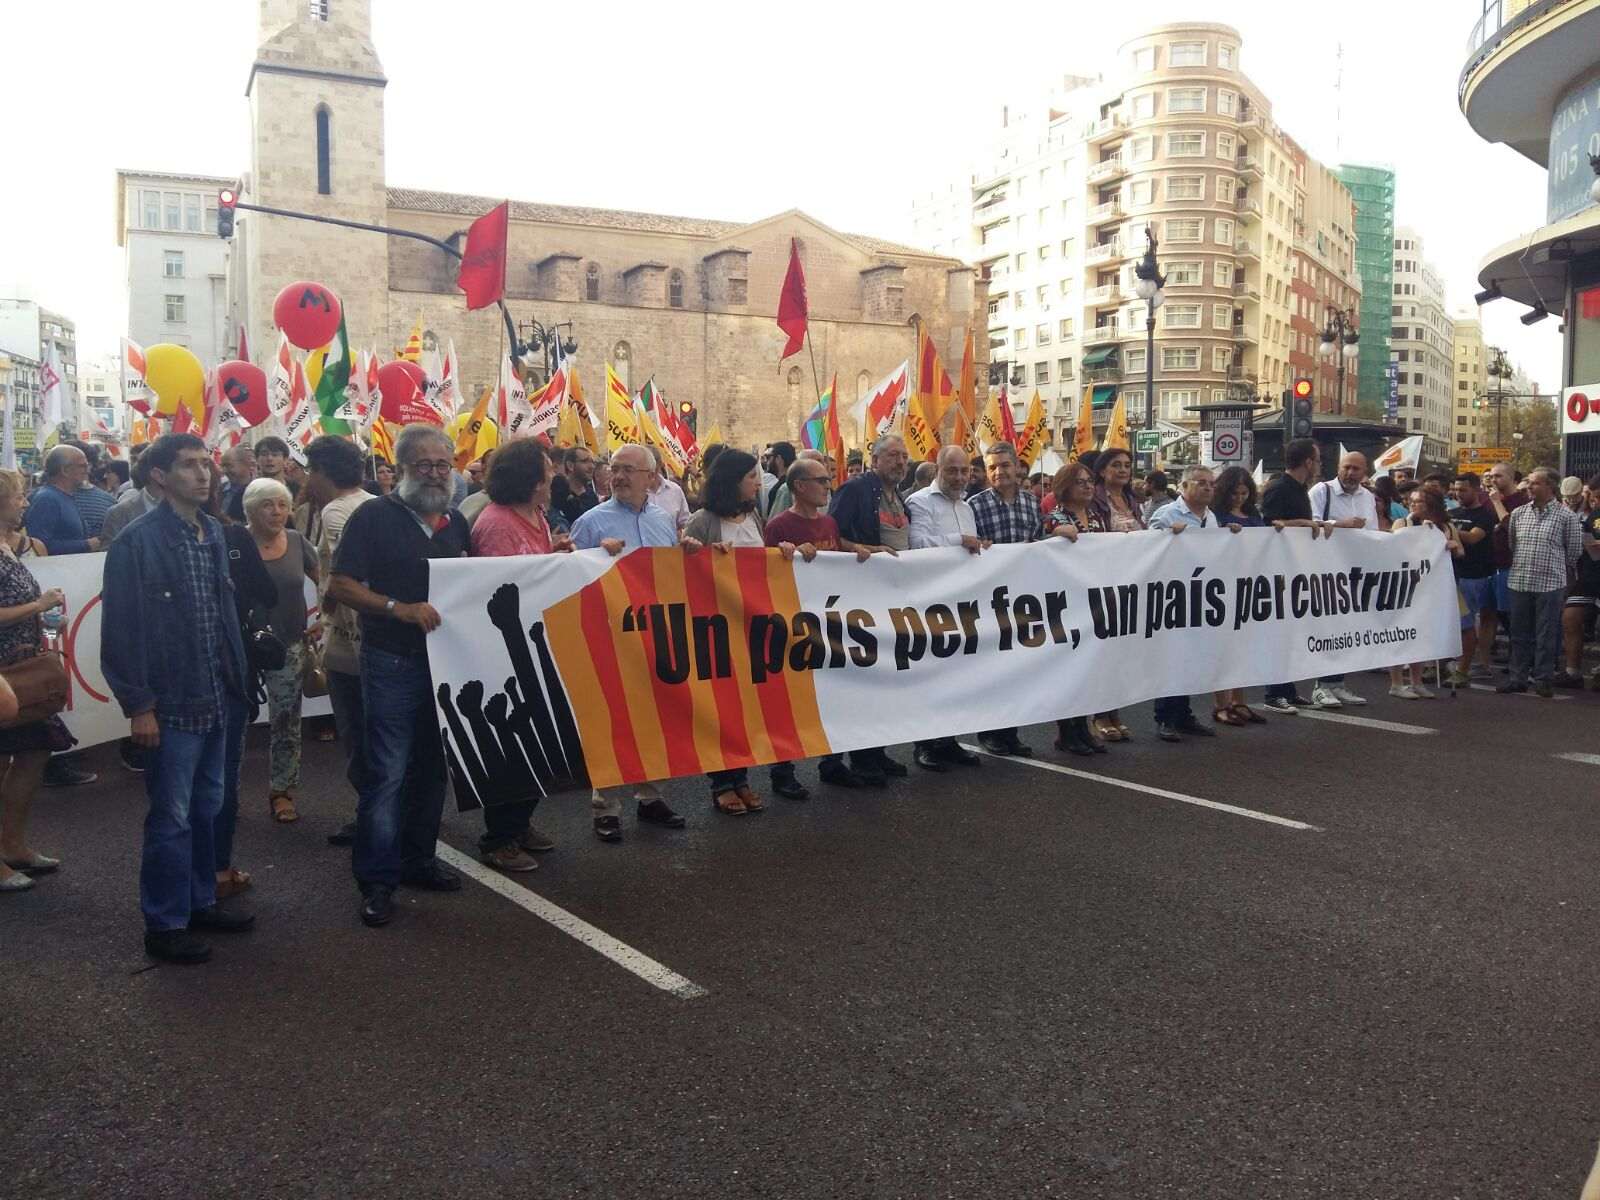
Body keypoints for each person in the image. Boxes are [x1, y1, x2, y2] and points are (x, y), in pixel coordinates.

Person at [102, 434, 255, 964]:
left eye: (206, 464)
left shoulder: (212, 531)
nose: (203, 473)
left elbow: (223, 618)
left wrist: (238, 681)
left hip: (216, 696)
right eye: (189, 465)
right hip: (172, 703)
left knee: (208, 808)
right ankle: (164, 924)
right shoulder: (136, 543)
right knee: (171, 817)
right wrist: (139, 706)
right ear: (159, 477)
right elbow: (121, 631)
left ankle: (198, 900)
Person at [329, 424, 472, 928]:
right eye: (424, 465)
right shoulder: (374, 516)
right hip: (392, 660)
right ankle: (377, 881)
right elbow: (343, 584)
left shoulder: (454, 522)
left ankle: (418, 860)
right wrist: (397, 608)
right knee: (387, 772)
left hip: (445, 664)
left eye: (443, 465)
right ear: (402, 469)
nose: (435, 473)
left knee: (433, 768)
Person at [571, 444, 699, 836]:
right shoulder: (591, 522)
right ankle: (605, 806)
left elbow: (669, 573)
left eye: (630, 469)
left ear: (651, 476)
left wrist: (688, 552)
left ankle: (651, 796)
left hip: (656, 634)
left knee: (656, 718)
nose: (621, 476)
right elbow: (569, 574)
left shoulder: (663, 520)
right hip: (610, 638)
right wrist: (589, 554)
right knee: (611, 720)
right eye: (615, 469)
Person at [467, 440, 570, 868]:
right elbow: (500, 588)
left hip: (536, 643)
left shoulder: (537, 517)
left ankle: (521, 819)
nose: (553, 477)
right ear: (530, 479)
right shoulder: (496, 524)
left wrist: (557, 556)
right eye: (546, 470)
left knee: (541, 742)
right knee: (511, 744)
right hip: (505, 652)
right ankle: (499, 837)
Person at [764, 456, 873, 799]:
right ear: (799, 486)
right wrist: (789, 553)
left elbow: (836, 555)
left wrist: (856, 549)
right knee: (791, 701)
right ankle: (782, 771)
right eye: (822, 480)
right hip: (793, 624)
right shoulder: (779, 526)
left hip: (829, 621)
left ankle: (832, 762)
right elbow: (764, 573)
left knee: (834, 694)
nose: (828, 486)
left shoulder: (828, 524)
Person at [683, 450, 777, 814]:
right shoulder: (702, 521)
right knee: (720, 710)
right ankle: (721, 782)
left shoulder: (754, 516)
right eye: (752, 476)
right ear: (733, 480)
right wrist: (697, 554)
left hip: (752, 626)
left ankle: (741, 778)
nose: (758, 481)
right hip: (716, 629)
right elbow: (683, 573)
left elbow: (765, 563)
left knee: (746, 709)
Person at [821, 434, 912, 788]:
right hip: (857, 598)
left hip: (888, 598)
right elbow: (832, 535)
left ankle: (875, 750)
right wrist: (863, 548)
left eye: (904, 456)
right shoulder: (856, 490)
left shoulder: (897, 496)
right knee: (856, 680)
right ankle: (847, 759)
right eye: (893, 456)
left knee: (882, 679)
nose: (901, 462)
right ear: (875, 460)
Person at [203, 458, 275, 901]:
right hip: (229, 671)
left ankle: (204, 873)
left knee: (194, 785)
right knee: (220, 778)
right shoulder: (233, 536)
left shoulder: (229, 536)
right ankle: (216, 870)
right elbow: (265, 593)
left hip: (220, 674)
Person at [0, 469, 69, 894]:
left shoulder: (9, 547)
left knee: (33, 752)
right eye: (19, 497)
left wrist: (43, 614)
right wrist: (37, 605)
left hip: (21, 669)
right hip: (4, 674)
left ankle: (12, 845)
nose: (25, 503)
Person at [306, 435, 373, 849]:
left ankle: (372, 814)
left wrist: (341, 625)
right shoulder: (370, 502)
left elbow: (351, 577)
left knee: (358, 736)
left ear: (321, 472)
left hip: (355, 649)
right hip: (365, 640)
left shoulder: (335, 511)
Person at [906, 446, 988, 772]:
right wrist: (959, 541)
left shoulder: (967, 507)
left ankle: (950, 740)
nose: (958, 477)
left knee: (956, 676)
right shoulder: (919, 502)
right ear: (938, 469)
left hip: (959, 602)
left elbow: (970, 547)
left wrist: (979, 546)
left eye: (963, 471)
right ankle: (925, 745)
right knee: (929, 676)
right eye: (951, 470)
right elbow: (917, 545)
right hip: (927, 603)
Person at [243, 477, 318, 823]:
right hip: (241, 646)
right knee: (231, 723)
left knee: (286, 720)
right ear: (250, 510)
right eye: (267, 505)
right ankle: (223, 795)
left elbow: (329, 579)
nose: (276, 512)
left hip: (288, 644)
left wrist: (328, 619)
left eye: (283, 505)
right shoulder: (234, 543)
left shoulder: (297, 541)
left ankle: (282, 791)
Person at [1147, 466, 1228, 741]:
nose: (1208, 488)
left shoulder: (1211, 517)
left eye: (1211, 484)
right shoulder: (1167, 514)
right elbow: (1143, 549)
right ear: (1183, 486)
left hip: (1198, 595)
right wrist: (1167, 535)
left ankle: (1183, 714)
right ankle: (1165, 717)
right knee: (1169, 658)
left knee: (1189, 658)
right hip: (1170, 596)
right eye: (1201, 483)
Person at [970, 442, 1041, 756]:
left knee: (1017, 670)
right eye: (993, 467)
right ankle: (990, 732)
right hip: (990, 600)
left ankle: (1010, 731)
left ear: (1017, 468)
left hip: (1022, 599)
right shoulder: (975, 504)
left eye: (1004, 465)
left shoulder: (1030, 502)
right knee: (992, 670)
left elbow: (1038, 542)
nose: (999, 472)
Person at [1042, 461, 1111, 756]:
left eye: (1089, 481)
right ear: (1065, 486)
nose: (1087, 486)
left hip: (1094, 602)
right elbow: (1043, 549)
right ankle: (1067, 730)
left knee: (1089, 668)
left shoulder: (1096, 516)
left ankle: (1084, 725)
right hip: (1067, 603)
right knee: (1067, 668)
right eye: (1080, 481)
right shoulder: (1055, 516)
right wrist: (1057, 534)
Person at [1498, 467, 1583, 698]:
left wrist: (1556, 570)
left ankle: (1543, 678)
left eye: (1535, 483)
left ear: (1550, 487)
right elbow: (1513, 544)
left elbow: (1573, 552)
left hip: (1550, 583)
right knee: (1518, 633)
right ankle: (1517, 678)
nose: (1529, 487)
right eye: (1529, 483)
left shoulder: (1567, 517)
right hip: (1520, 580)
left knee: (1546, 634)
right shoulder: (1519, 513)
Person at [1304, 451, 1378, 709]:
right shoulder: (1321, 492)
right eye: (1347, 467)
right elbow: (1308, 526)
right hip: (1326, 571)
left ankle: (1337, 682)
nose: (1350, 473)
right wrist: (1342, 524)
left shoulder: (1368, 497)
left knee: (1347, 629)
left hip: (1354, 571)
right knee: (1327, 628)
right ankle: (1320, 686)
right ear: (1338, 467)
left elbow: (1373, 534)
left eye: (1356, 469)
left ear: (1364, 471)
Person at [1260, 438, 1328, 713]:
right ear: (1308, 462)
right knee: (1277, 634)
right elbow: (1268, 526)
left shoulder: (1300, 489)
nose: (1319, 465)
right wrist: (1300, 523)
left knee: (1291, 633)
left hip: (1294, 569)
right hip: (1276, 570)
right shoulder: (1279, 488)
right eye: (1318, 459)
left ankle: (1288, 688)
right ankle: (1273, 692)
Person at [1088, 447, 1143, 742]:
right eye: (1116, 465)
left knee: (1119, 653)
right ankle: (1099, 713)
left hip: (1129, 585)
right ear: (1102, 470)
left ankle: (1114, 710)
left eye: (1126, 465)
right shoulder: (1094, 500)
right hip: (1102, 583)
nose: (1123, 470)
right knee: (1101, 652)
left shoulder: (1133, 500)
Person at [1387, 487, 1463, 699]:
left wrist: (1451, 545)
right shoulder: (1403, 523)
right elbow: (1392, 549)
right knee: (1400, 632)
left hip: (1431, 589)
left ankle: (1416, 681)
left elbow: (1460, 551)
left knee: (1420, 634)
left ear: (1431, 504)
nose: (1413, 505)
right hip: (1406, 587)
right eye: (1411, 501)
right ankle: (1396, 683)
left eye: (1419, 502)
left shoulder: (1446, 526)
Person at [1208, 466, 1268, 726]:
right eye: (1235, 493)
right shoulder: (1216, 515)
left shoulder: (1252, 513)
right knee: (1222, 647)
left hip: (1249, 583)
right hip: (1223, 585)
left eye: (1244, 493)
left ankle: (1238, 699)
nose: (1240, 498)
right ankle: (1221, 703)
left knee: (1243, 646)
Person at [1446, 472, 1498, 687]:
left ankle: (1463, 669)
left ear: (1476, 490)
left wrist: (1449, 532)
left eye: (1463, 490)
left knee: (1465, 624)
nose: (1458, 494)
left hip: (1472, 576)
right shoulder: (1451, 512)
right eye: (1456, 490)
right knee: (1446, 622)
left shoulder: (1485, 515)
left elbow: (1474, 537)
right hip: (1449, 573)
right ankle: (1439, 664)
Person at [1484, 461, 1527, 664]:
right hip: (1491, 562)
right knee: (1494, 612)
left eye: (1499, 476)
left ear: (1511, 477)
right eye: (1492, 476)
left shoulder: (1521, 500)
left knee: (1510, 613)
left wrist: (1497, 503)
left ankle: (1519, 657)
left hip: (1511, 563)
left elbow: (1512, 527)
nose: (1494, 480)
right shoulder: (1488, 500)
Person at [25, 445, 102, 555]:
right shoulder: (47, 499)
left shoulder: (64, 496)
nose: (87, 471)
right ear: (65, 470)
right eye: (82, 466)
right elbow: (39, 546)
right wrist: (87, 545)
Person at [643, 445, 691, 532]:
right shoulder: (633, 493)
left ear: (659, 465)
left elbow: (685, 523)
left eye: (651, 467)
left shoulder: (675, 490)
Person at [550, 445, 599, 527]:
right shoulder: (556, 494)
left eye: (592, 462)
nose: (591, 467)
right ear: (570, 465)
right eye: (585, 461)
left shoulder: (592, 496)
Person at [220, 444, 256, 523]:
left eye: (229, 465)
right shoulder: (218, 490)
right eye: (222, 466)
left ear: (246, 464)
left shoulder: (257, 491)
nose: (224, 471)